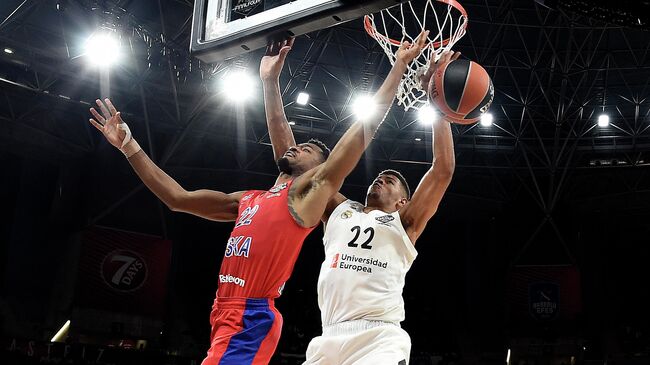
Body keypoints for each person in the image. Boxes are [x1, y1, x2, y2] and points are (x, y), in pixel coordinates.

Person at [88, 31, 428, 365]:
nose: (295, 146)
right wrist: (129, 146)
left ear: (316, 174)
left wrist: (398, 68)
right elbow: (177, 198)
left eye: (307, 148)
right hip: (223, 310)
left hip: (251, 318)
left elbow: (360, 133)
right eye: (297, 144)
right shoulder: (248, 199)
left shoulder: (305, 198)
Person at [262, 40, 458, 364]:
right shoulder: (339, 209)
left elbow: (443, 169)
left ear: (403, 202)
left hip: (379, 339)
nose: (380, 179)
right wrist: (270, 83)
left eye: (390, 180)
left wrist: (437, 102)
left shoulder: (405, 223)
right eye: (379, 176)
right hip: (328, 337)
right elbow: (294, 164)